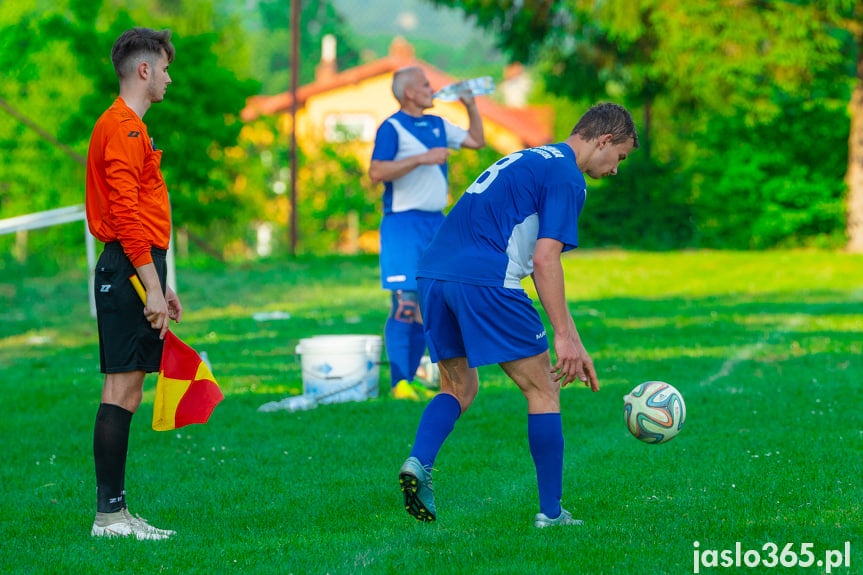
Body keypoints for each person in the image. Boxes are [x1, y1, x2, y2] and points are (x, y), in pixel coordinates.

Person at [397, 103, 638, 527]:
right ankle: (550, 514)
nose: (616, 169)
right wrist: (562, 338)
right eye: (619, 157)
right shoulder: (568, 177)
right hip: (486, 279)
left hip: (433, 275)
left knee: (459, 386)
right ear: (603, 140)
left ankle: (419, 461)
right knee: (543, 390)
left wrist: (573, 336)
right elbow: (546, 261)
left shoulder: (527, 157)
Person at [85, 27, 180, 540]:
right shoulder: (121, 126)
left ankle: (116, 514)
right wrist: (148, 283)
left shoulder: (132, 128)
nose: (168, 77)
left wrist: (162, 284)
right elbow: (124, 215)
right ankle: (110, 516)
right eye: (163, 67)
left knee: (129, 389)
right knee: (122, 388)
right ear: (144, 70)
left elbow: (142, 211)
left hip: (139, 267)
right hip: (127, 267)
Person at [369, 66, 486, 400]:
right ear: (409, 92)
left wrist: (470, 105)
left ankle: (411, 378)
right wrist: (423, 158)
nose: (431, 88)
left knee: (429, 303)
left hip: (436, 223)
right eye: (424, 84)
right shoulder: (391, 128)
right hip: (403, 224)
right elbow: (376, 171)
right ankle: (399, 383)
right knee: (405, 302)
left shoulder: (437, 125)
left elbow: (477, 141)